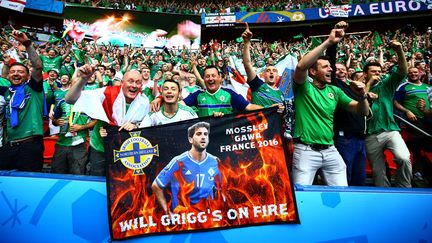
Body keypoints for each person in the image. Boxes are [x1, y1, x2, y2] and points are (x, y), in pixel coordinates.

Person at [291, 25, 370, 186]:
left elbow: (362, 111)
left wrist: (362, 96)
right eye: (325, 67)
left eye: (330, 66)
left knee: (342, 194)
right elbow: (300, 66)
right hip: (305, 151)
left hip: (330, 150)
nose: (331, 69)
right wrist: (329, 41)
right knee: (301, 196)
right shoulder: (303, 87)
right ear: (313, 72)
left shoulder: (335, 91)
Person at [65, 65, 150, 176]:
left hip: (125, 151)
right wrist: (83, 79)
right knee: (97, 180)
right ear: (122, 83)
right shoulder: (107, 93)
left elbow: (146, 126)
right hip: (100, 148)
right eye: (130, 81)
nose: (134, 85)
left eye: (138, 82)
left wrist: (135, 125)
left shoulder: (144, 102)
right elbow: (70, 99)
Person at [364, 40, 411, 188]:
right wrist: (369, 84)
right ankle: (384, 196)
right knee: (378, 172)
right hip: (370, 135)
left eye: (379, 72)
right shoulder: (358, 87)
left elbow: (403, 71)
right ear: (365, 74)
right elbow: (360, 98)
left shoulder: (387, 85)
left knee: (403, 157)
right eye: (373, 72)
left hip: (390, 130)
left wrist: (399, 50)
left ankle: (404, 189)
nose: (377, 74)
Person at [152, 121, 223, 214]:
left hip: (208, 217)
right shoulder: (178, 161)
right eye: (198, 134)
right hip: (185, 218)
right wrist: (167, 212)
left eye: (205, 134)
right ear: (190, 139)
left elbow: (221, 189)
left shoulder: (215, 162)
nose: (203, 137)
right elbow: (156, 185)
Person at [0, 29, 44, 172]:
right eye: (13, 72)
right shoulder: (7, 91)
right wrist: (7, 65)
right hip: (9, 146)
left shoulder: (33, 88)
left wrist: (27, 44)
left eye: (20, 72)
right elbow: (3, 76)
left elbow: (37, 66)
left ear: (27, 76)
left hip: (30, 146)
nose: (16, 74)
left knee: (29, 185)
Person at [182, 66, 263, 117]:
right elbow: (180, 105)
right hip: (204, 138)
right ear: (204, 79)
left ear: (219, 78)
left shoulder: (229, 93)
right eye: (207, 76)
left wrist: (271, 108)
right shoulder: (197, 95)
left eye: (213, 76)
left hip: (225, 136)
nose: (210, 79)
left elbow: (249, 107)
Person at [241, 23, 285, 108]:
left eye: (274, 71)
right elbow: (247, 64)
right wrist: (247, 43)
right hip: (260, 121)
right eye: (268, 71)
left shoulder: (281, 94)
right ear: (263, 75)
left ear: (277, 76)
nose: (271, 72)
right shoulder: (258, 85)